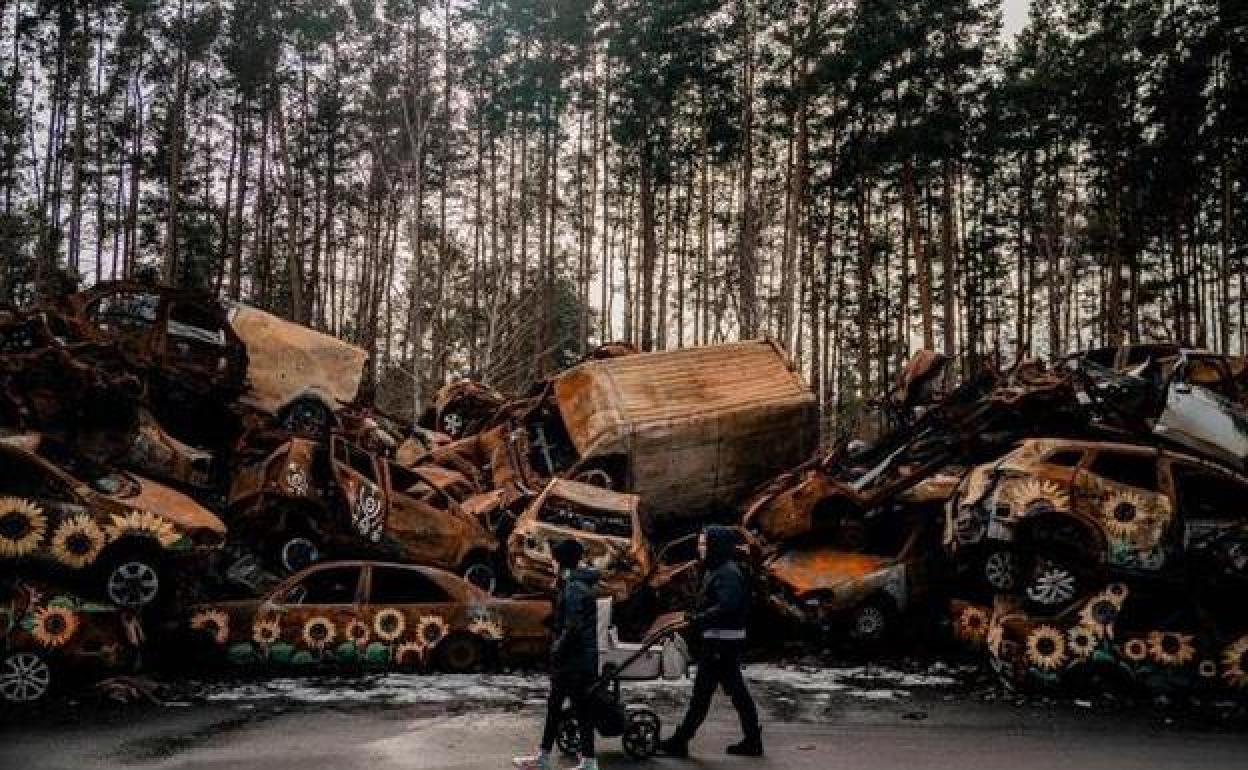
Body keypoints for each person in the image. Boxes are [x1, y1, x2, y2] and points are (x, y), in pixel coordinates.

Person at [658, 525, 763, 758]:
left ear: (716, 546)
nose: (700, 548)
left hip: (721, 643)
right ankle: (752, 739)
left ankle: (681, 740)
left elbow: (728, 606)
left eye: (704, 544)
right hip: (719, 641)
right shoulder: (716, 569)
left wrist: (699, 618)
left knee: (704, 694)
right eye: (700, 544)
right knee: (733, 692)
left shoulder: (727, 572)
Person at [513, 539, 600, 770]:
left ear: (560, 561)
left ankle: (589, 762)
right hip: (572, 660)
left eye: (553, 558)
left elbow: (573, 627)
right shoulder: (572, 584)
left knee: (580, 709)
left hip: (575, 661)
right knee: (556, 707)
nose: (550, 562)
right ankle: (543, 757)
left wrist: (556, 649)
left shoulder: (573, 587)